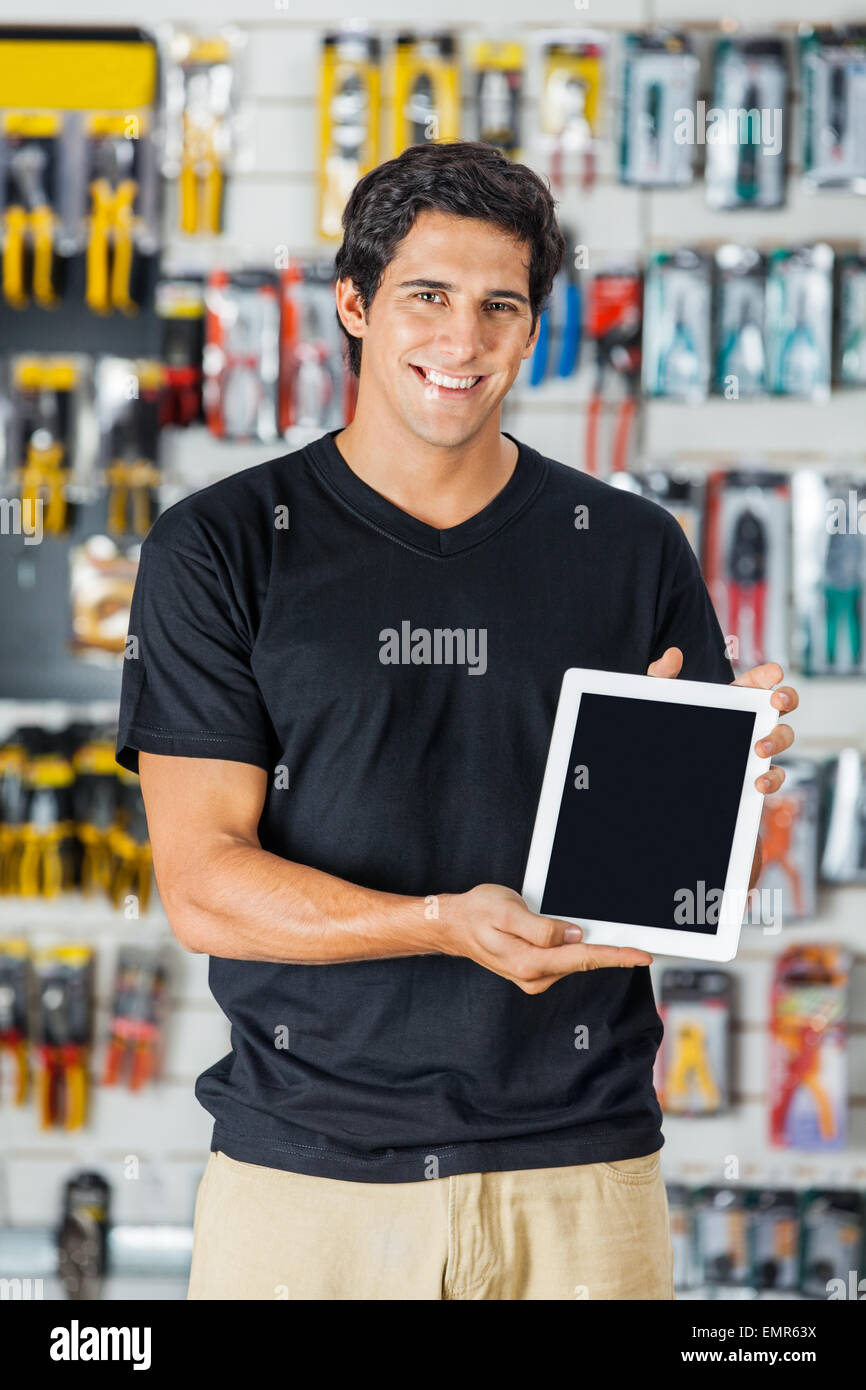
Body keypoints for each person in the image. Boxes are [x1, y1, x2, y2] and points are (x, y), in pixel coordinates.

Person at [116, 140, 798, 1300]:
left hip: (581, 1177)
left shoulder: (631, 551)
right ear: (352, 303)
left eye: (500, 306)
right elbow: (201, 886)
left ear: (533, 329)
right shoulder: (220, 547)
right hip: (308, 1189)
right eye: (425, 296)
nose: (462, 341)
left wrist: (738, 807)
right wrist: (441, 921)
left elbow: (697, 893)